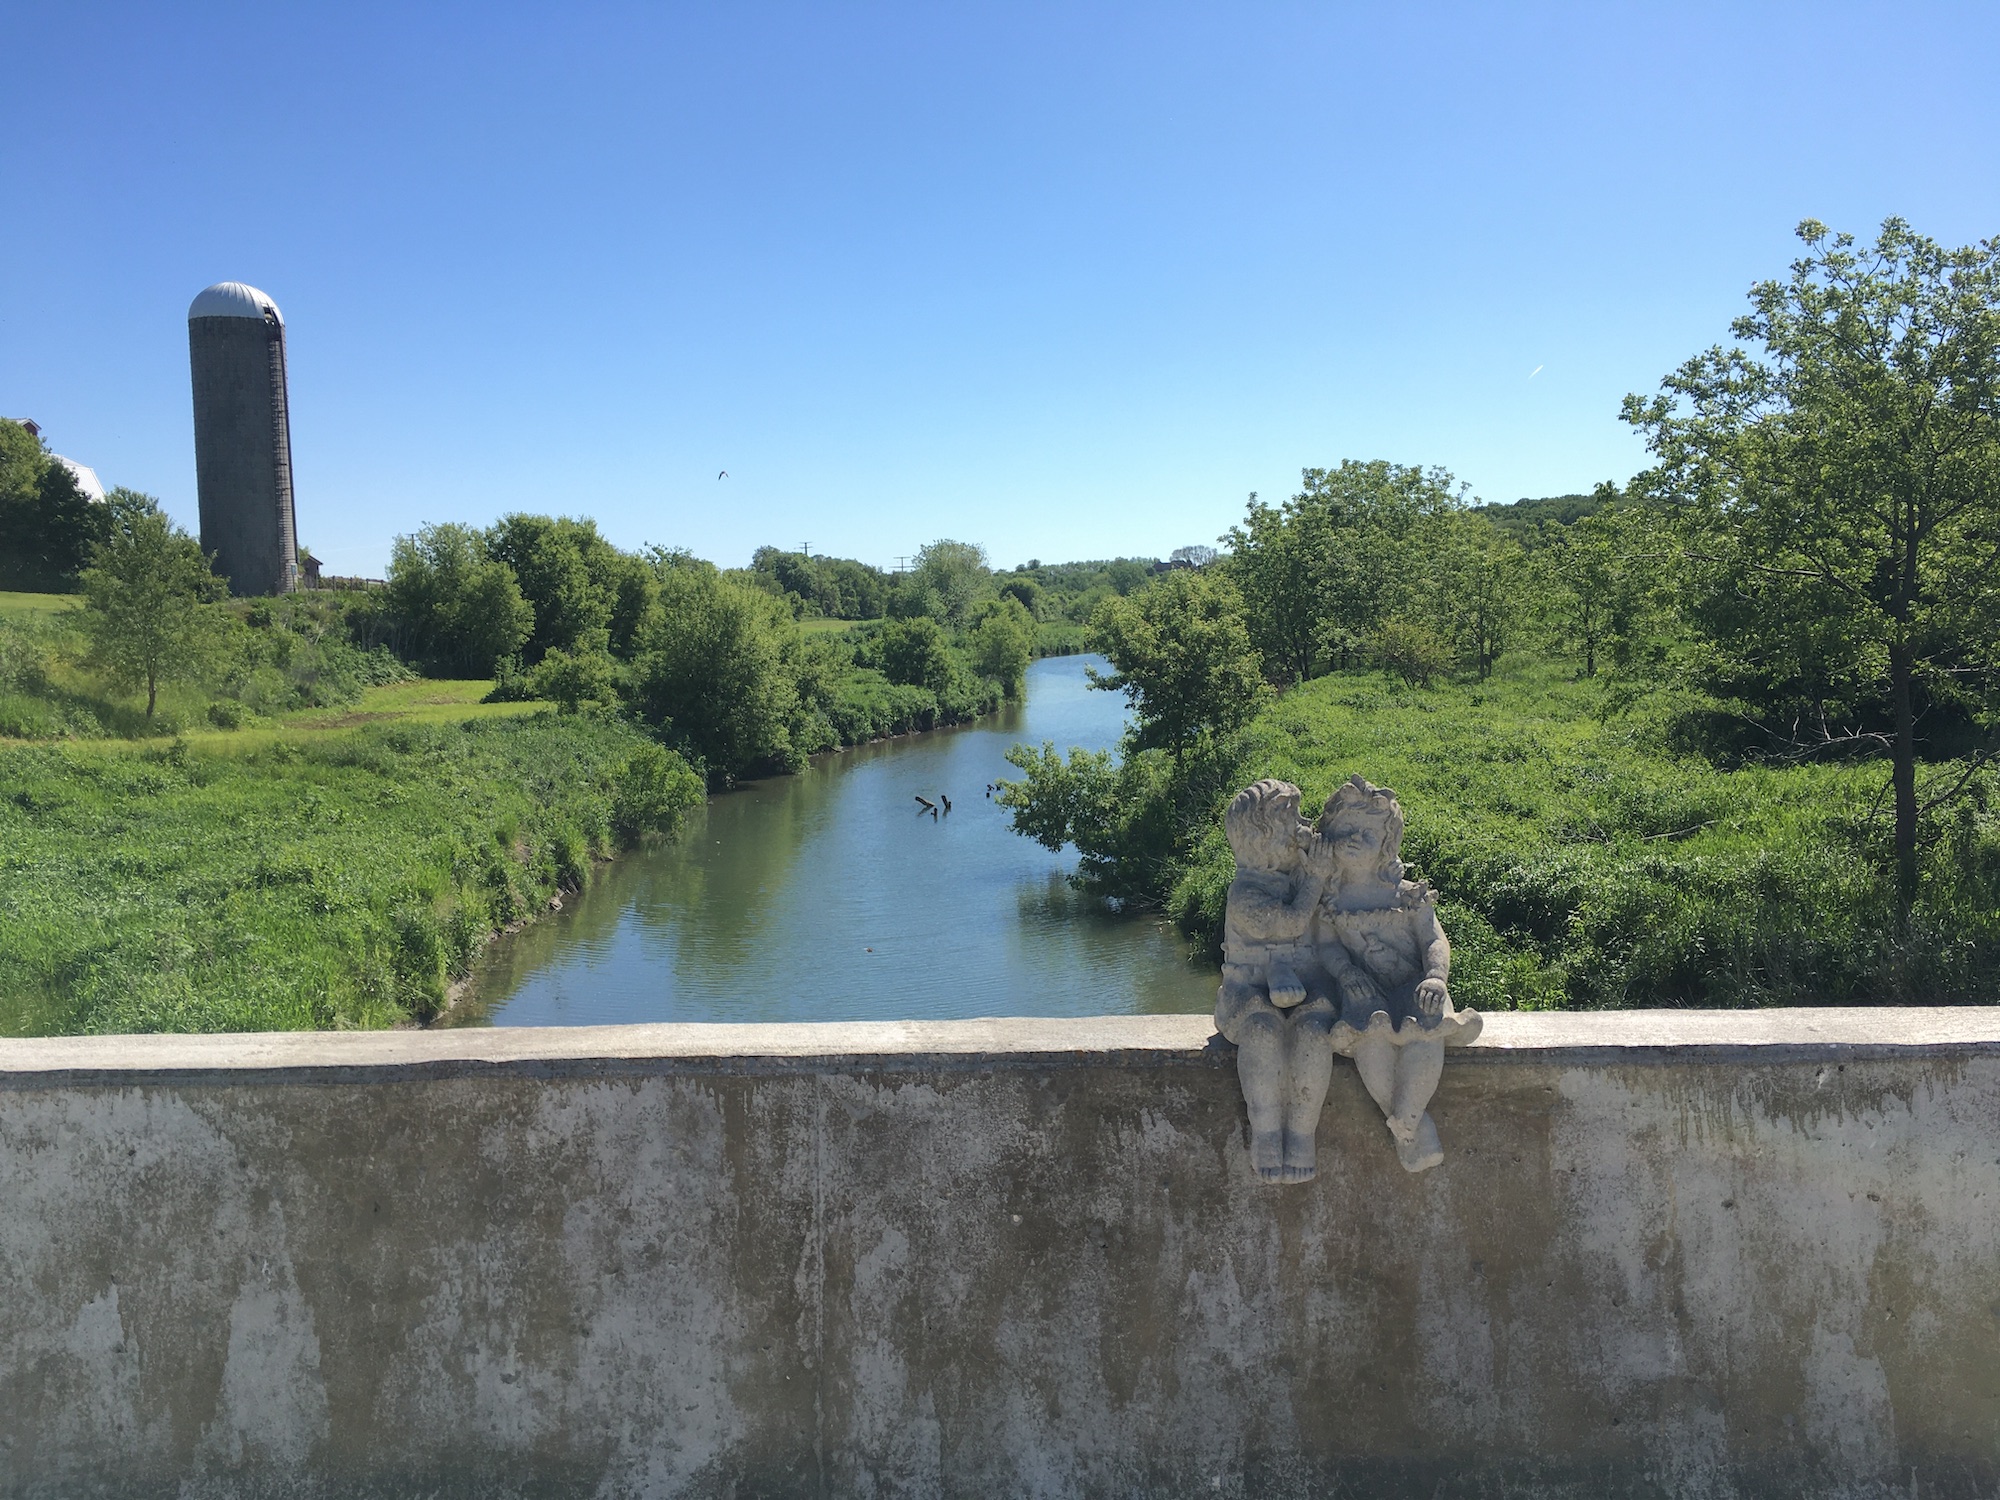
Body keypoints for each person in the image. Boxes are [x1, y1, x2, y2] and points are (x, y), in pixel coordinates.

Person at [1315, 774, 1481, 1173]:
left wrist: (1436, 977)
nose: (1354, 839)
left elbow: (1433, 941)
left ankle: (1406, 1118)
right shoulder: (1330, 901)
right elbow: (1328, 947)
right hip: (1367, 991)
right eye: (1345, 831)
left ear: (1387, 844)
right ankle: (1410, 1125)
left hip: (1416, 987)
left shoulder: (1406, 894)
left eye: (1367, 834)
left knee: (1428, 1032)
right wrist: (1344, 974)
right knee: (1369, 1040)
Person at [1214, 779, 1340, 1183]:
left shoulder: (1295, 874)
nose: (1304, 824)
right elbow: (1291, 922)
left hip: (1304, 989)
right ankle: (1267, 1132)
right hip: (1247, 993)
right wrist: (1316, 877)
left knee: (1314, 1035)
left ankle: (1302, 1132)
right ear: (1263, 840)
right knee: (1264, 1034)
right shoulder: (1246, 893)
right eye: (1293, 819)